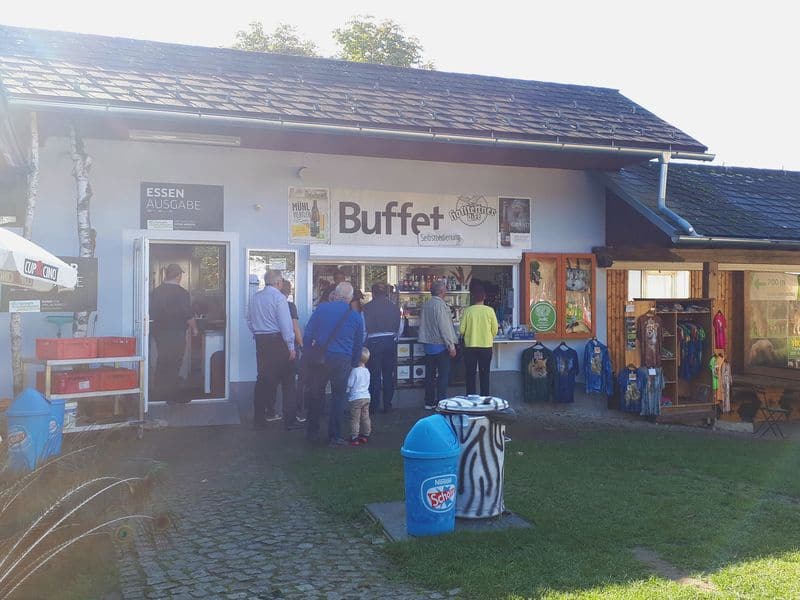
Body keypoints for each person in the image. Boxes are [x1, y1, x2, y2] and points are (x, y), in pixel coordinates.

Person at [303, 282, 364, 446]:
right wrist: (353, 362)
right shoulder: (356, 316)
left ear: (335, 295)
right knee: (338, 397)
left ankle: (312, 431)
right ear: (350, 298)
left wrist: (308, 353)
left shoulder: (322, 309)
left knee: (316, 395)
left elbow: (308, 333)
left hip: (321, 358)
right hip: (342, 359)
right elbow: (359, 343)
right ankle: (334, 436)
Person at [246, 269, 302, 431]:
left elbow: (249, 319)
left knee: (263, 380)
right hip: (278, 342)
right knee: (288, 382)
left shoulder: (255, 297)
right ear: (279, 282)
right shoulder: (279, 298)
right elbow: (286, 325)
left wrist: (257, 332)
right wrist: (291, 346)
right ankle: (290, 420)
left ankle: (259, 418)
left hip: (262, 341)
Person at [149, 263, 197, 404]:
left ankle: (157, 394)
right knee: (174, 363)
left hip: (159, 332)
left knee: (162, 360)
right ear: (178, 276)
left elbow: (152, 312)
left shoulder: (156, 291)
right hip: (176, 332)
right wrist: (195, 329)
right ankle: (172, 396)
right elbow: (188, 315)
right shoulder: (182, 293)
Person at [362, 282, 402, 413]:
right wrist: (396, 338)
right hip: (390, 341)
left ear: (373, 293)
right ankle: (388, 405)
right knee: (388, 374)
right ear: (386, 293)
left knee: (374, 375)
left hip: (373, 342)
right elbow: (400, 328)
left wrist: (364, 343)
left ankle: (374, 406)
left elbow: (363, 329)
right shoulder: (395, 307)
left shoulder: (366, 308)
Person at [418, 279, 457, 410]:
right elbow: (444, 327)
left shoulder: (426, 304)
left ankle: (429, 402)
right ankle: (441, 402)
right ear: (441, 291)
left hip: (428, 346)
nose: (446, 291)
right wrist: (451, 345)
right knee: (443, 376)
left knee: (429, 376)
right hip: (440, 346)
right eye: (445, 289)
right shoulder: (440, 306)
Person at [460, 282, 499, 396]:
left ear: (473, 297)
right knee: (485, 374)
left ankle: (471, 399)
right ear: (484, 297)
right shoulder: (490, 311)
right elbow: (495, 330)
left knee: (470, 374)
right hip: (486, 346)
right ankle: (485, 399)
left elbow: (461, 330)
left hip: (470, 346)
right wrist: (488, 336)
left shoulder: (468, 311)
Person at [281, 279, 306, 421]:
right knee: (293, 381)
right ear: (288, 290)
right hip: (290, 348)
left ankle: (270, 411)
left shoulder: (270, 305)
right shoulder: (289, 306)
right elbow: (294, 327)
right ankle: (295, 412)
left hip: (272, 347)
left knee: (271, 380)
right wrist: (302, 344)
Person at [346, 347, 372, 446]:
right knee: (365, 416)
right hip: (366, 396)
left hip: (356, 397)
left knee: (355, 418)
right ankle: (366, 434)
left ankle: (354, 437)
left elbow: (350, 383)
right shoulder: (367, 371)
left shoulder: (355, 371)